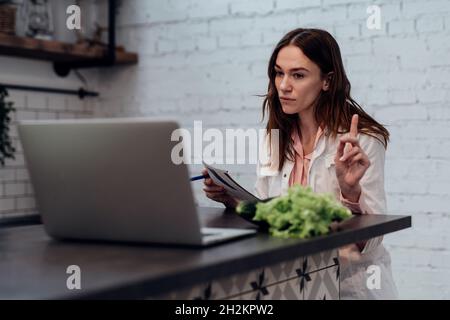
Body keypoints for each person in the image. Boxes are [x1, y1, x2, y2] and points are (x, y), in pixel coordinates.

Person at [202, 28, 398, 299]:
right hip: (291, 283)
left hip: (348, 288)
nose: (283, 85)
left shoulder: (362, 140)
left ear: (327, 81)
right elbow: (270, 213)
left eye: (298, 75)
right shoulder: (275, 139)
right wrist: (234, 200)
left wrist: (351, 194)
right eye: (278, 73)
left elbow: (371, 242)